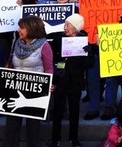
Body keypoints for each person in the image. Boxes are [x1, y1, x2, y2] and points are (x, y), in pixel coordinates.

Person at [4, 15, 53, 147]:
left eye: (22, 28)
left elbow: (49, 68)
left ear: (31, 29)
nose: (18, 30)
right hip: (15, 90)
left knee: (33, 130)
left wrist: (48, 84)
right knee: (11, 128)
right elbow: (11, 64)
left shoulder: (44, 45)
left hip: (35, 92)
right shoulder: (16, 43)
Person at [49, 14, 93, 147]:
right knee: (58, 110)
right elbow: (52, 59)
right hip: (60, 79)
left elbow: (89, 64)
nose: (65, 27)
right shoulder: (58, 39)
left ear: (76, 28)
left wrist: (88, 52)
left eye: (68, 25)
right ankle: (55, 139)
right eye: (65, 24)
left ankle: (73, 139)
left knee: (74, 110)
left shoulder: (83, 40)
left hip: (76, 81)